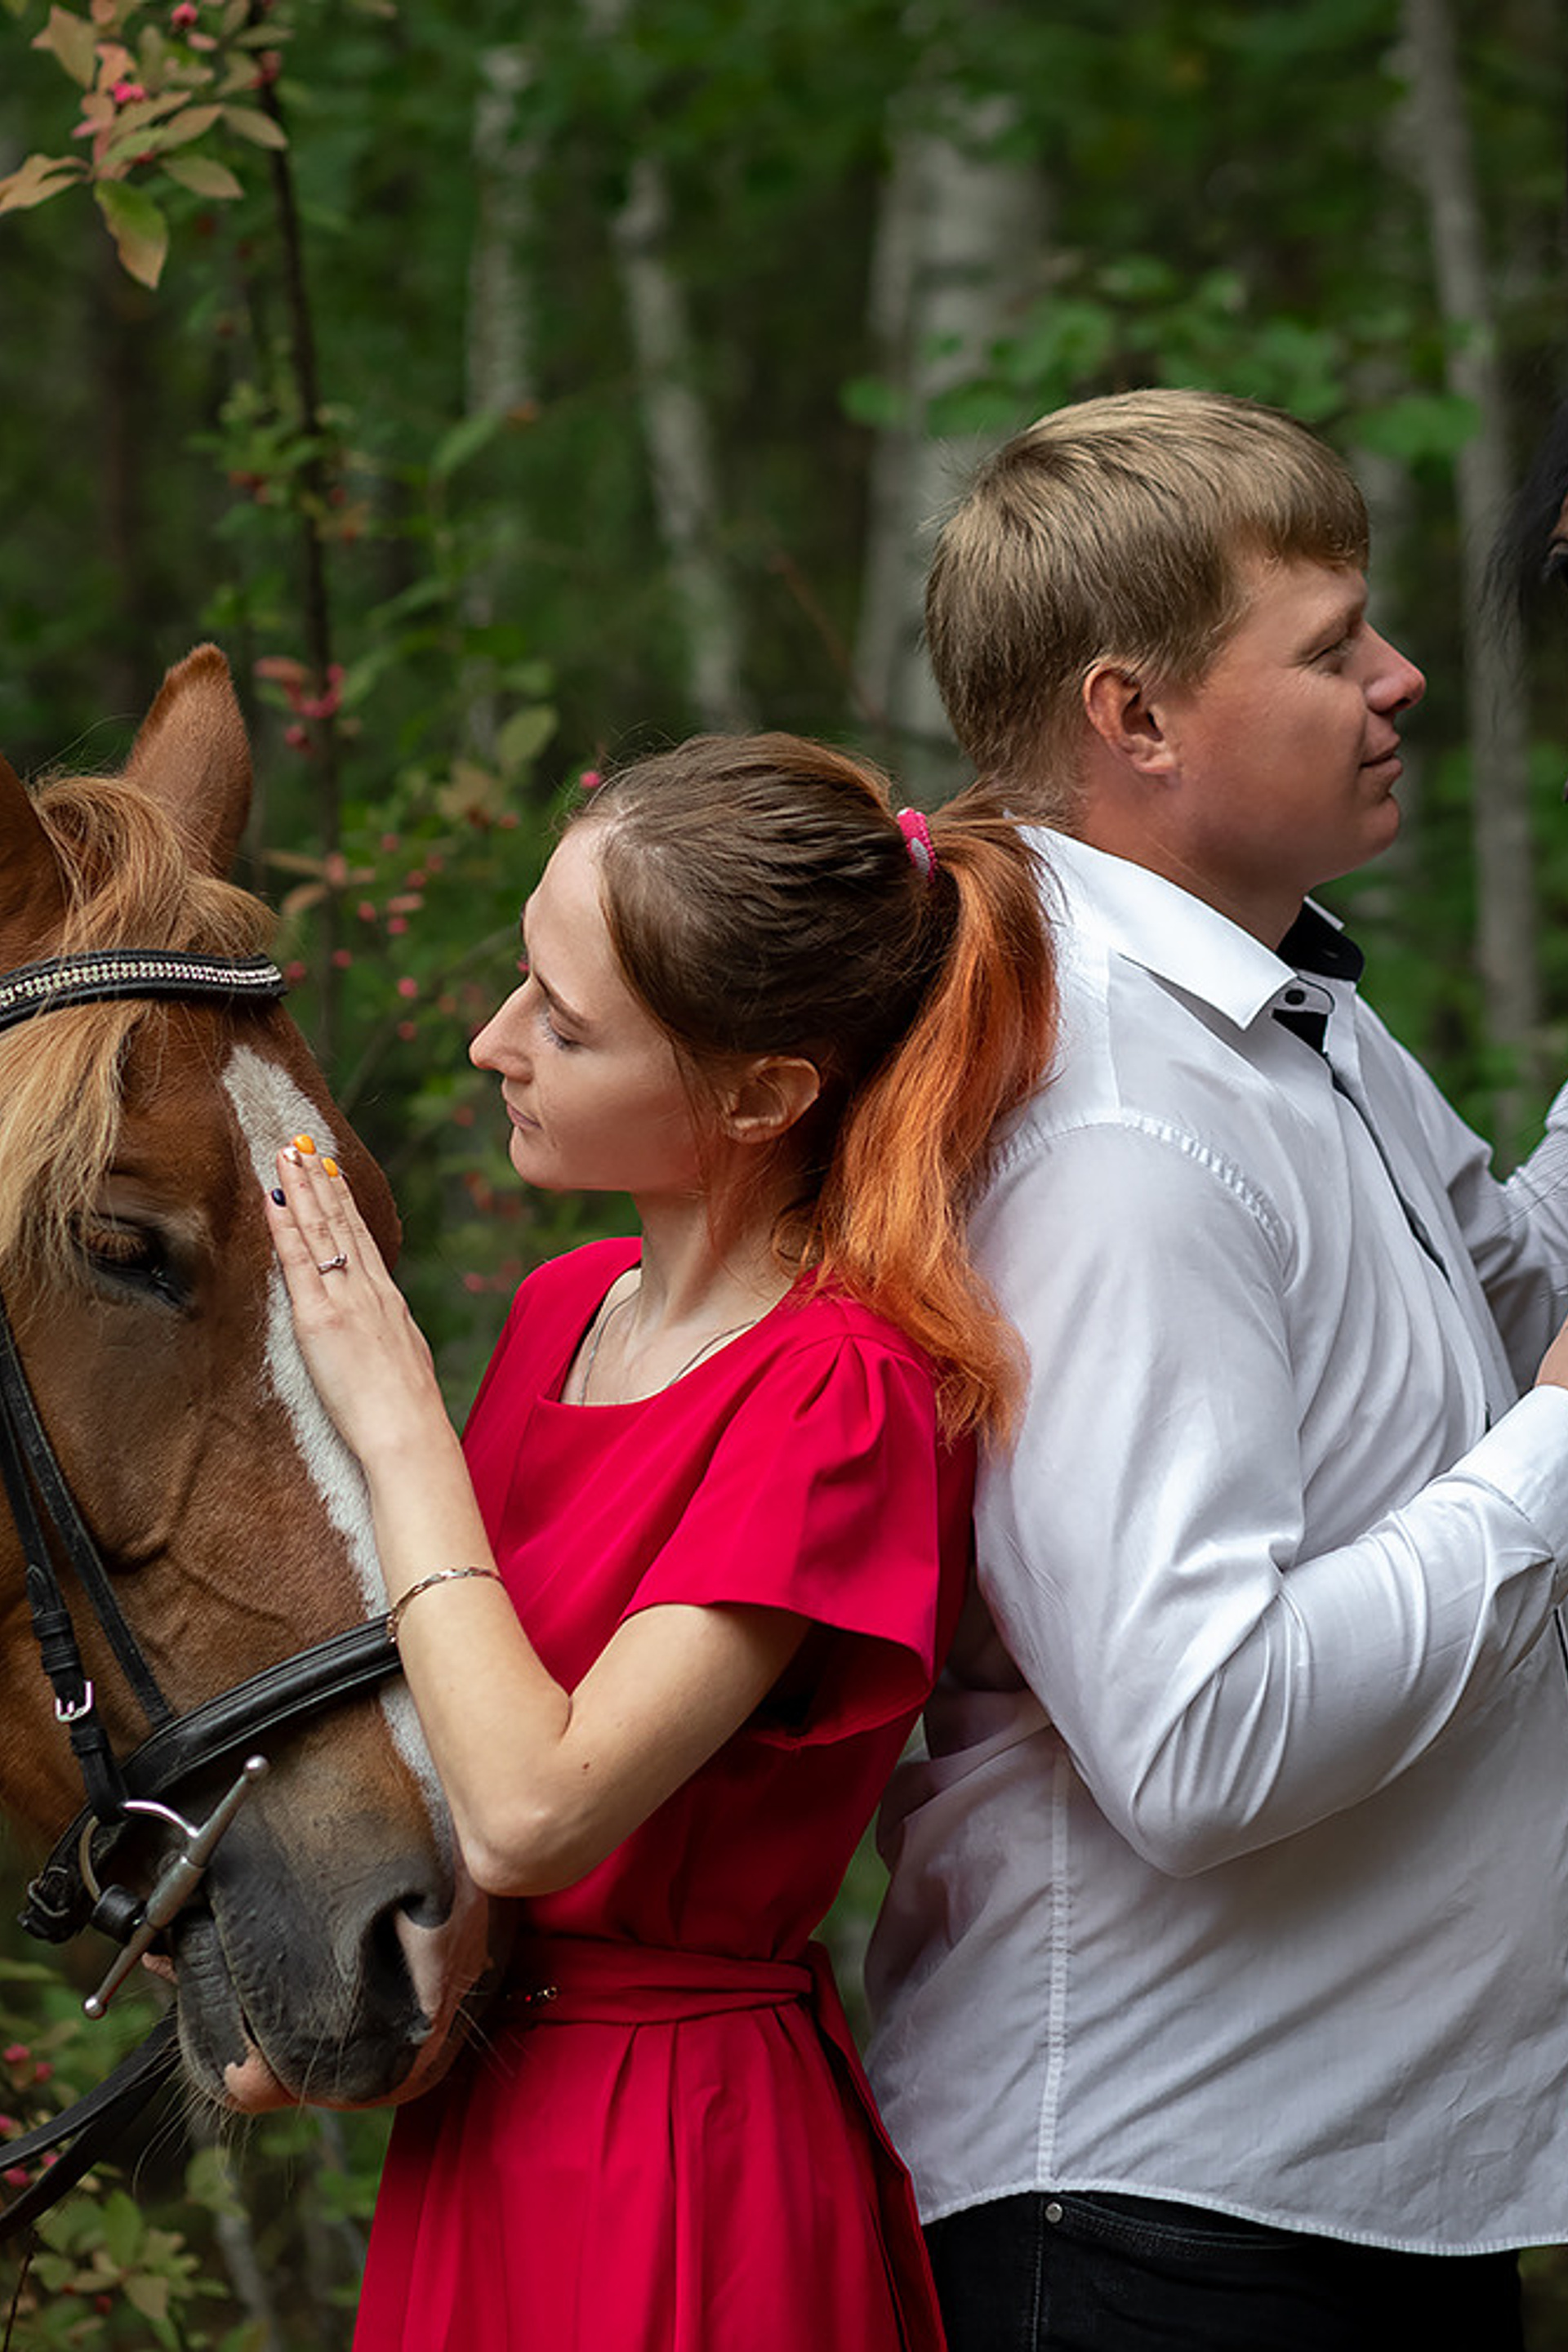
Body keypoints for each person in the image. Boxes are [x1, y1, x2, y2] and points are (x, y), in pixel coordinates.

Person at [862, 386, 1568, 2352]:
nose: (1400, 678)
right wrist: (1559, 1451)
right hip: (1159, 2232)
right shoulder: (1108, 1123)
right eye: (1333, 646)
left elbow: (1534, 1291)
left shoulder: (1278, 1029)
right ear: (1136, 718)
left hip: (1324, 2195)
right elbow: (1199, 1737)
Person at [262, 732, 1055, 2352]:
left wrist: (399, 1420)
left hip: (675, 2150)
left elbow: (543, 1806)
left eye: (563, 1024)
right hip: (481, 2123)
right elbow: (457, 1752)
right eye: (517, 987)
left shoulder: (840, 1394)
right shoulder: (566, 1310)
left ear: (765, 1093)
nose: (495, 1046)